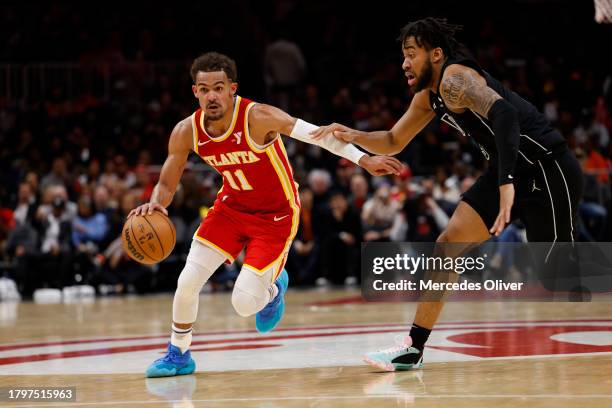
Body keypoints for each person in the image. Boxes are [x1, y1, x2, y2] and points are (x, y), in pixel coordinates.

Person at [312, 18, 583, 371]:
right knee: (448, 242)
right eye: (402, 55)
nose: (404, 63)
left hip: (547, 167)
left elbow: (504, 116)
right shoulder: (429, 96)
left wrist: (506, 182)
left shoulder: (456, 79)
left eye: (412, 54)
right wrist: (351, 134)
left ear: (436, 54)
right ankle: (414, 347)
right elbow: (394, 140)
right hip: (506, 167)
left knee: (559, 277)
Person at [128, 52, 403, 378]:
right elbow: (166, 183)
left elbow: (318, 134)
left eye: (219, 88)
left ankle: (273, 290)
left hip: (276, 216)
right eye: (204, 89)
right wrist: (157, 204)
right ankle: (179, 354)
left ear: (233, 88)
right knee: (187, 281)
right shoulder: (186, 131)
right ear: (195, 92)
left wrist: (363, 160)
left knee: (243, 304)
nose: (212, 96)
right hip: (231, 210)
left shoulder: (258, 116)